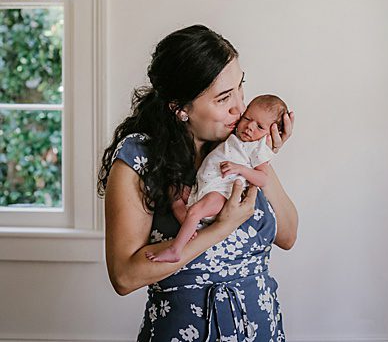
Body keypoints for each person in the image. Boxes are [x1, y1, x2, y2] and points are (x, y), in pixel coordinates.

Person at [97, 25, 298, 341]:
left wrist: (262, 156)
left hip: (262, 330)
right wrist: (221, 228)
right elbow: (124, 276)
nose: (240, 108)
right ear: (180, 108)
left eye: (240, 88)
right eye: (223, 98)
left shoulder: (239, 147)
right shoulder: (140, 157)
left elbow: (287, 236)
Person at [147, 93, 290, 264]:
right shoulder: (232, 134)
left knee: (195, 212)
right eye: (247, 118)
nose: (250, 127)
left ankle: (176, 249)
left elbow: (262, 179)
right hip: (204, 186)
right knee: (175, 193)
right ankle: (189, 227)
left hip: (220, 192)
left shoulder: (258, 149)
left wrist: (242, 169)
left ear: (271, 133)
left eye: (260, 126)